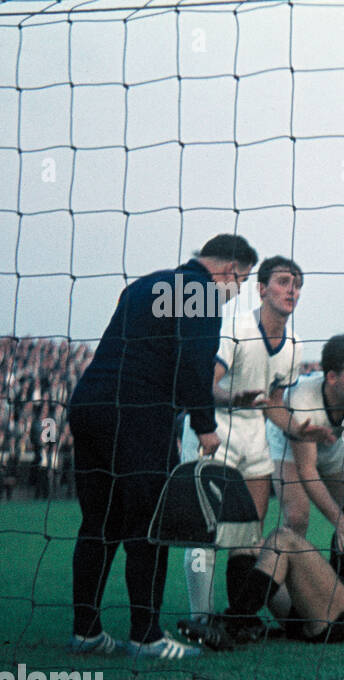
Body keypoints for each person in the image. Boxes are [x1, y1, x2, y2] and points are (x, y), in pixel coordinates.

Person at [68, 233, 257, 658]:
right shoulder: (201, 290)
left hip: (90, 405)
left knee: (98, 523)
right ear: (229, 270)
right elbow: (195, 361)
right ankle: (146, 637)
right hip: (137, 412)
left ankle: (86, 632)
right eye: (242, 281)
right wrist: (206, 426)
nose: (237, 292)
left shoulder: (144, 285)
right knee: (149, 527)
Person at [179, 256, 317, 630]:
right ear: (261, 288)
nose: (293, 290)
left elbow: (273, 404)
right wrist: (234, 397)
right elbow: (207, 385)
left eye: (298, 284)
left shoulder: (295, 346)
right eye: (285, 282)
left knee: (249, 532)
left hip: (254, 436)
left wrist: (302, 429)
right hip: (214, 429)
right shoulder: (236, 326)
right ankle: (200, 618)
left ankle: (239, 618)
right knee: (204, 532)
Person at [183, 451, 344, 647]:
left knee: (285, 539)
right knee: (248, 547)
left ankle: (228, 625)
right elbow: (337, 572)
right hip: (321, 611)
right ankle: (245, 627)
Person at [268, 334, 344, 550]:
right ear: (332, 377)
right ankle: (283, 581)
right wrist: (338, 520)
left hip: (337, 446)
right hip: (289, 448)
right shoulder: (301, 399)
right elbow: (306, 469)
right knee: (297, 517)